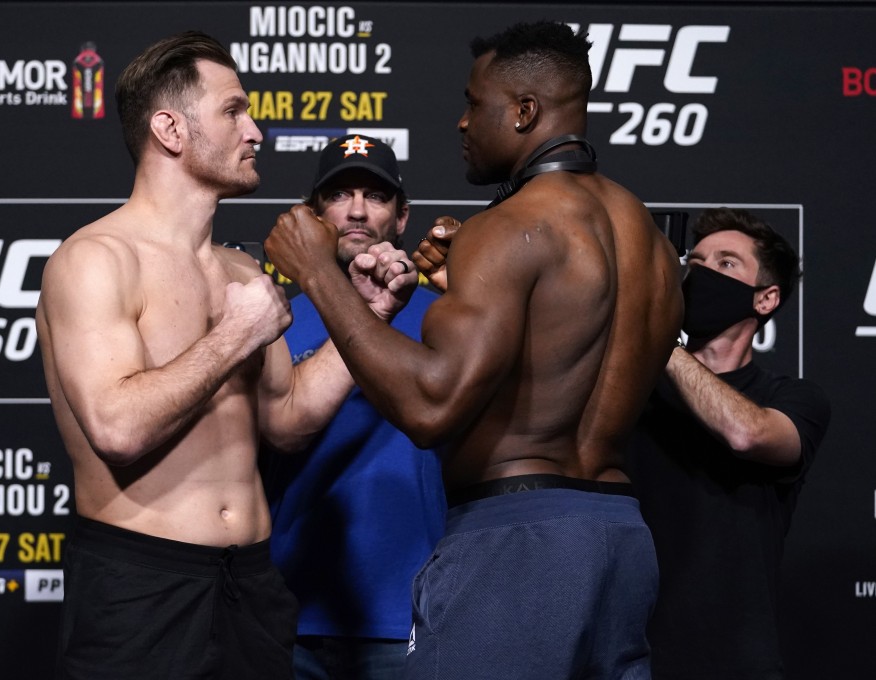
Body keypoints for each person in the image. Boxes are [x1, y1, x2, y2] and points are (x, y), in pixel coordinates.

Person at [264, 21, 683, 679]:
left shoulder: (508, 226)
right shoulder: (649, 241)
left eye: (473, 103)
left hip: (520, 541)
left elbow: (431, 407)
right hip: (619, 536)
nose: (462, 122)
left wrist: (318, 273)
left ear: (524, 111)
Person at [34, 31, 418, 680]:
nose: (256, 131)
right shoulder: (96, 260)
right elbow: (117, 428)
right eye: (233, 111)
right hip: (144, 585)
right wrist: (234, 335)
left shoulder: (241, 272)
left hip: (253, 586)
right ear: (170, 130)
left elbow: (287, 419)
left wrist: (370, 314)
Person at [261, 134, 446, 680]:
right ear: (313, 217)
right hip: (292, 607)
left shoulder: (446, 318)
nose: (358, 211)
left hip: (409, 609)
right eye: (340, 195)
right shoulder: (273, 319)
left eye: (376, 196)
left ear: (402, 216)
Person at [625, 207, 831, 679]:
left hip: (733, 659)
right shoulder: (632, 389)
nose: (701, 273)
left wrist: (664, 342)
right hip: (629, 653)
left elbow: (747, 434)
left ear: (766, 298)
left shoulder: (794, 398)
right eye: (695, 261)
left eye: (725, 263)